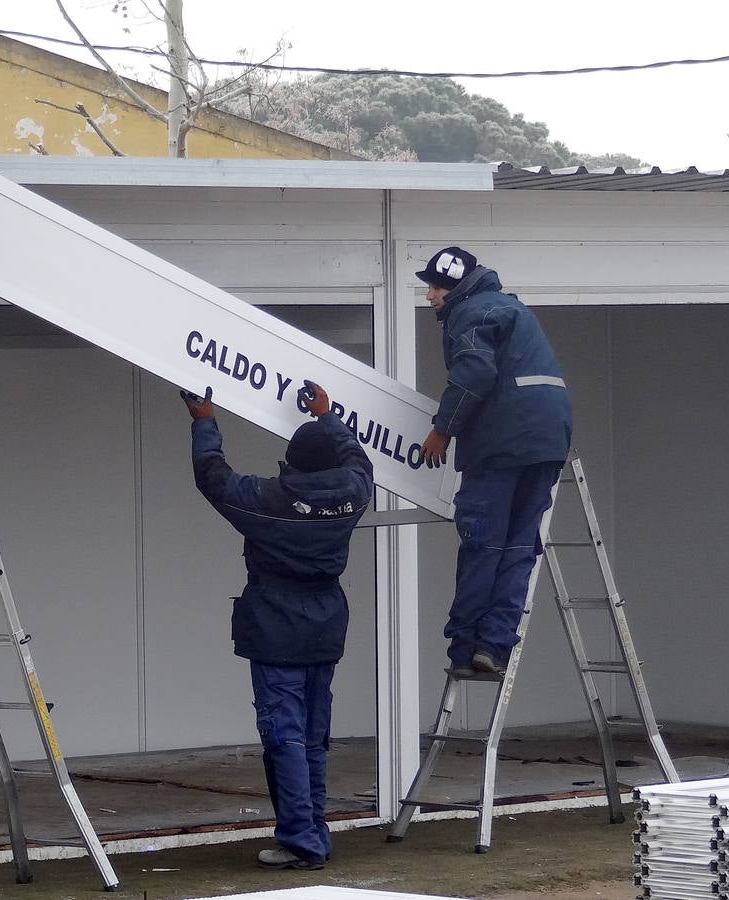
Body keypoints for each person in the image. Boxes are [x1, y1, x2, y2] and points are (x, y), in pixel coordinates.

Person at [183, 381, 373, 870]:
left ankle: (301, 842)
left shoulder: (268, 498)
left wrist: (204, 418)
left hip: (275, 628)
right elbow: (359, 461)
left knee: (284, 735)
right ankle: (314, 833)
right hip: (326, 626)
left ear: (292, 464)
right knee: (312, 736)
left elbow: (212, 476)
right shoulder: (353, 492)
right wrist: (329, 417)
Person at [416, 246, 573, 677]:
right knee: (520, 547)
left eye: (433, 287)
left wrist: (442, 429)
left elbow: (475, 373)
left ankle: (465, 649)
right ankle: (495, 645)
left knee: (482, 544)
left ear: (453, 286)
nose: (429, 296)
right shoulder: (511, 308)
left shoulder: (470, 314)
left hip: (500, 445)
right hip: (548, 441)